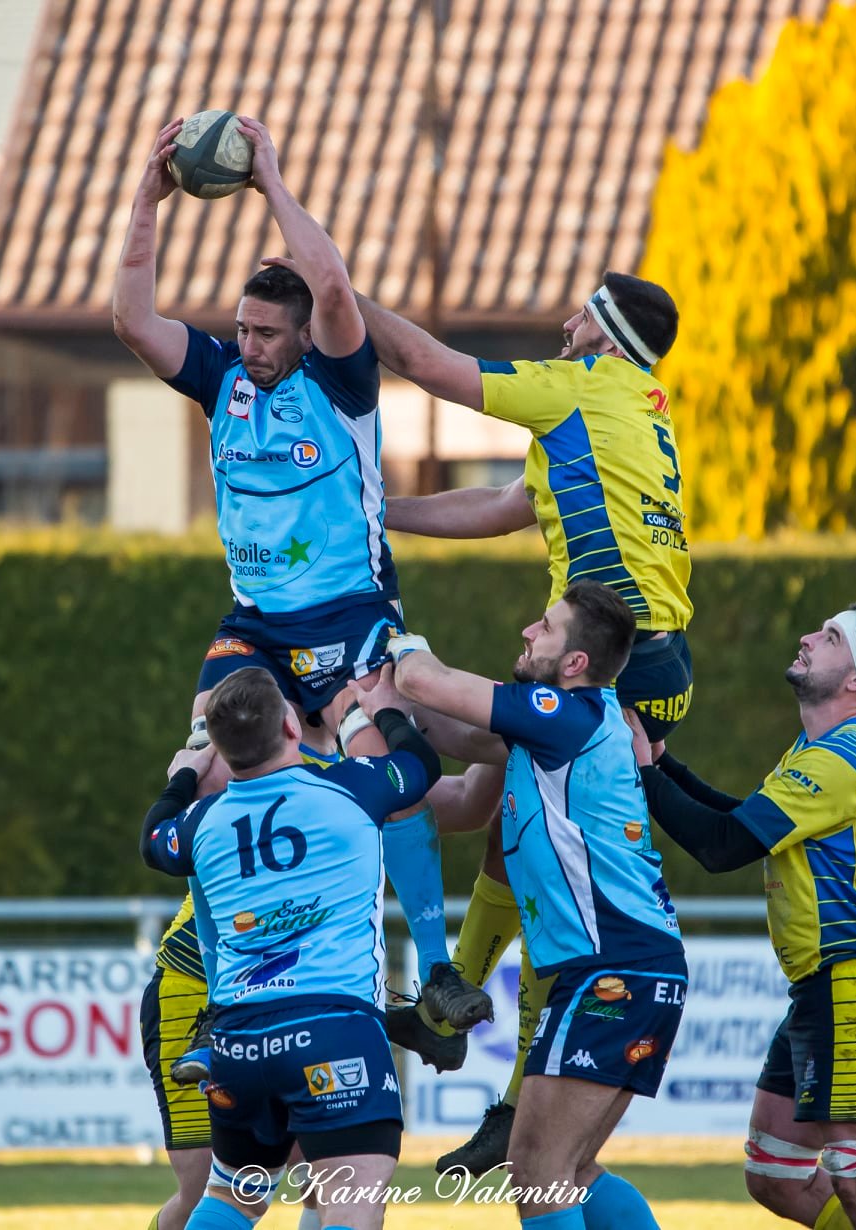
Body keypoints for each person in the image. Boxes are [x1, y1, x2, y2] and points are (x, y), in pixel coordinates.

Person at [114, 118, 487, 1090]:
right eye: (241, 329)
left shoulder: (340, 380)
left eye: (264, 333)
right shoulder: (221, 381)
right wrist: (144, 203)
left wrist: (270, 178)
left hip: (352, 618)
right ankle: (228, 1002)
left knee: (395, 772)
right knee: (210, 785)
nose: (249, 345)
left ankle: (439, 972)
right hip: (254, 629)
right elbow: (132, 322)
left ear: (301, 335)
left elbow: (329, 287)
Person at [335, 267, 693, 1168]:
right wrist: (380, 516)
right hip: (650, 655)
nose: (565, 321)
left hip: (619, 657)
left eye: (583, 311)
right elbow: (502, 508)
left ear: (605, 333)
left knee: (536, 851)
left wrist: (329, 288)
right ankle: (453, 1021)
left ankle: (495, 1074)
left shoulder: (575, 388)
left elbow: (424, 360)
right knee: (495, 822)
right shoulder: (625, 409)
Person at [388, 580, 685, 1230]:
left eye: (545, 627)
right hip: (626, 967)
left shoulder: (561, 714)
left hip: (613, 970)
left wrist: (385, 628)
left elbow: (426, 683)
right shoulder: (564, 725)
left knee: (540, 1172)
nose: (527, 631)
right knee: (568, 1171)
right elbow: (447, 733)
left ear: (575, 664)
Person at [635, 604, 856, 1230]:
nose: (806, 639)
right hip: (828, 989)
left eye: (828, 638)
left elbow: (722, 847)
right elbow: (742, 822)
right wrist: (659, 763)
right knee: (774, 1173)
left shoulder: (841, 760)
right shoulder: (819, 749)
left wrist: (643, 771)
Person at [140, 665, 442, 1230]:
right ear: (290, 726)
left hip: (235, 1039)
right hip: (332, 1027)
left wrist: (182, 777)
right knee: (348, 1203)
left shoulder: (204, 818)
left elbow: (154, 840)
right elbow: (420, 767)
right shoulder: (350, 786)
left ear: (220, 749)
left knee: (233, 1197)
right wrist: (377, 711)